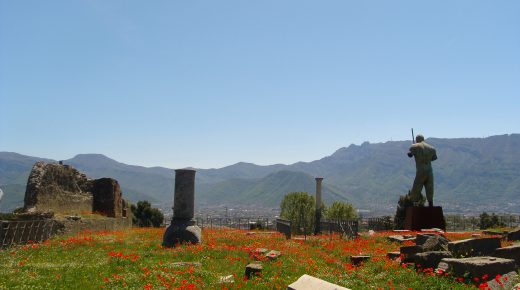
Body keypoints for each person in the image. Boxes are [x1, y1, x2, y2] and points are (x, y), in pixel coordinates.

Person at [407, 134, 437, 207]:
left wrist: (412, 150)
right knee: (429, 187)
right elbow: (434, 158)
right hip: (429, 170)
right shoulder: (432, 148)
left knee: (417, 186)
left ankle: (413, 203)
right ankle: (430, 204)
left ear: (417, 139)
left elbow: (410, 155)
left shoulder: (414, 146)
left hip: (421, 170)